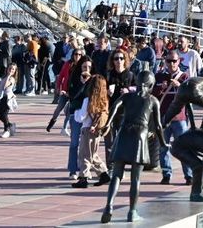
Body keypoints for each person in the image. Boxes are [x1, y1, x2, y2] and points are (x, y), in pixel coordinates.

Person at [100, 71, 167, 224]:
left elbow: (115, 107)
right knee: (135, 178)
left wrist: (107, 124)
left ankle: (108, 206)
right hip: (140, 135)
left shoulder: (127, 96)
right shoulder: (152, 100)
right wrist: (163, 142)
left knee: (116, 174)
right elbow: (158, 125)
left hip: (124, 133)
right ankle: (132, 211)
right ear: (151, 85)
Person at [153, 51, 191, 185]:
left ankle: (189, 175)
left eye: (174, 61)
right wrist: (160, 88)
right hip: (163, 118)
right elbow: (153, 96)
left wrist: (180, 87)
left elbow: (190, 95)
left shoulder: (184, 77)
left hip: (179, 118)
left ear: (179, 61)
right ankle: (166, 174)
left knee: (184, 147)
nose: (172, 64)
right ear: (165, 61)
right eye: (169, 61)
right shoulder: (159, 76)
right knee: (163, 148)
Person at [73, 73, 110, 187]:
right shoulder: (103, 101)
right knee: (92, 154)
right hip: (97, 130)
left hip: (87, 129)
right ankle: (104, 175)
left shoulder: (88, 100)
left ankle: (83, 179)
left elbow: (80, 117)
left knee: (85, 155)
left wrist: (75, 112)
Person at [0, 63, 19, 138]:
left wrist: (9, 75)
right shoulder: (4, 77)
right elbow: (1, 87)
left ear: (15, 71)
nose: (11, 70)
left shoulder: (11, 78)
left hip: (8, 98)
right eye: (10, 68)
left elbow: (6, 85)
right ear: (7, 69)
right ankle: (10, 125)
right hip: (2, 97)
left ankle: (7, 130)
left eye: (13, 69)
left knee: (4, 114)